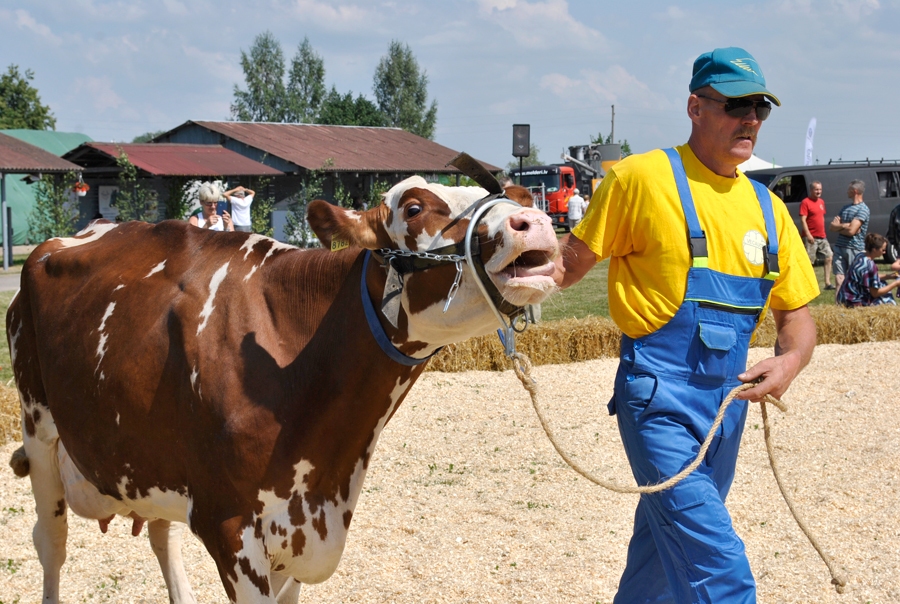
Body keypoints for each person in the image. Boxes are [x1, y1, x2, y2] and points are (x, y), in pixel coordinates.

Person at [553, 47, 818, 603]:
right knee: (718, 571)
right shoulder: (640, 179)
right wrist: (500, 251)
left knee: (660, 559)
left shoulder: (770, 211)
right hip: (658, 401)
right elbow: (565, 267)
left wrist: (790, 361)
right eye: (737, 105)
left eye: (761, 108)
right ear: (696, 106)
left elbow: (797, 318)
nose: (751, 119)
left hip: (727, 411)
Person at [835, 233, 900, 306]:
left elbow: (868, 277)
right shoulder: (870, 265)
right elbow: (875, 293)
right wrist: (895, 284)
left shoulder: (860, 256)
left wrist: (890, 276)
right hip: (853, 301)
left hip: (843, 297)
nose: (884, 252)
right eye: (883, 250)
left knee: (882, 283)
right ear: (874, 249)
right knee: (886, 297)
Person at [829, 179, 869, 288]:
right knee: (839, 277)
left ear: (854, 191)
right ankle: (839, 302)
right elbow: (831, 227)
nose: (846, 191)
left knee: (855, 277)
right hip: (840, 246)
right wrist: (845, 225)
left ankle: (854, 301)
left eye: (848, 189)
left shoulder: (863, 209)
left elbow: (851, 232)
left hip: (855, 249)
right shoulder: (845, 208)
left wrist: (841, 227)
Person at [799, 181, 834, 289]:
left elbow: (821, 217)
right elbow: (803, 220)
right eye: (816, 189)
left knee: (829, 257)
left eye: (820, 189)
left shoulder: (821, 202)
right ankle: (809, 285)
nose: (818, 192)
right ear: (811, 190)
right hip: (811, 237)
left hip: (822, 236)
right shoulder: (805, 202)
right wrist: (808, 235)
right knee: (809, 262)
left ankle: (827, 283)